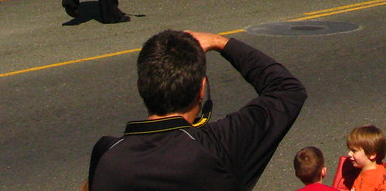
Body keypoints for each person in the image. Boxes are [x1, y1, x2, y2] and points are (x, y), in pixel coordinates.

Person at [87, 29, 306, 191]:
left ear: (140, 87)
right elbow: (288, 90)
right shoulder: (219, 146)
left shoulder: (106, 153)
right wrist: (220, 42)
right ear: (201, 89)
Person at [346, 125, 386, 191]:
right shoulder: (379, 167)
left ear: (372, 154)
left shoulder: (369, 181)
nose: (349, 154)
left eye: (354, 151)